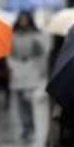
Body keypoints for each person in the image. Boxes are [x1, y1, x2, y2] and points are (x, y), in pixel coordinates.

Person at [10, 11, 46, 139]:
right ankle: (25, 126)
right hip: (16, 69)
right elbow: (9, 53)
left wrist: (38, 68)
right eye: (21, 19)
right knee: (20, 100)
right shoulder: (13, 36)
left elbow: (41, 53)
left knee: (28, 98)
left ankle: (30, 124)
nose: (23, 22)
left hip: (30, 69)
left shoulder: (35, 36)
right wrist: (11, 65)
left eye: (25, 19)